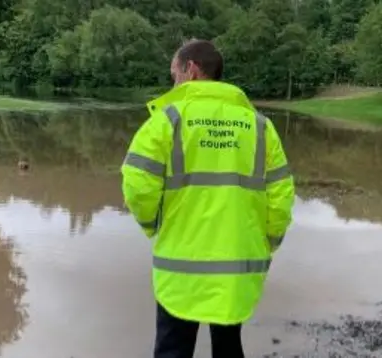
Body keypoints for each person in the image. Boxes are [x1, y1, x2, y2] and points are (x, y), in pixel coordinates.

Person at [121, 39, 295, 358]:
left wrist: (152, 223)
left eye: (175, 73)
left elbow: (136, 182)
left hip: (179, 265)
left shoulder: (168, 119)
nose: (173, 82)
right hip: (238, 265)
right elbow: (282, 195)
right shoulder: (260, 126)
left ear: (192, 70)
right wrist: (267, 242)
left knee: (173, 349)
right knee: (229, 348)